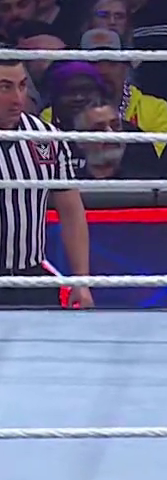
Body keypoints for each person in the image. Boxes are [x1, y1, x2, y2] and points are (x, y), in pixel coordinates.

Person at [0, 61, 92, 309]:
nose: (17, 99)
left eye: (22, 86)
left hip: (31, 279)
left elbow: (71, 210)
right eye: (5, 87)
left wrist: (81, 280)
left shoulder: (45, 138)